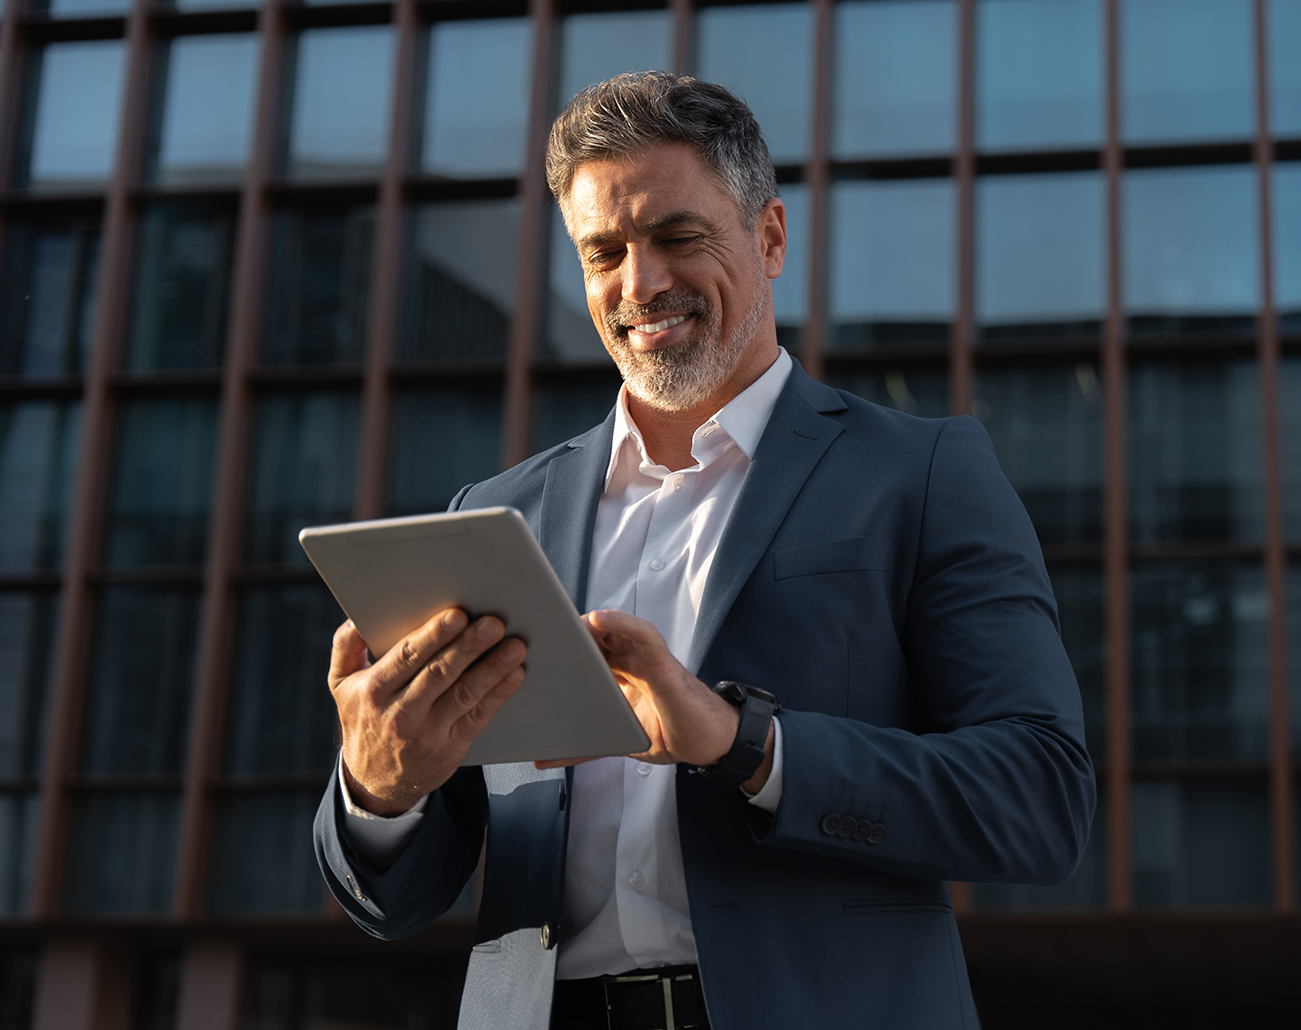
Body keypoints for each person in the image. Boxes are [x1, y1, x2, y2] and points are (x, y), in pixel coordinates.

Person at [313, 71, 1096, 1030]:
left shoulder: (924, 473)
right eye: (604, 252)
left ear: (769, 239)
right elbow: (400, 898)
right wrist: (381, 788)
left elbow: (1040, 797)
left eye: (677, 238)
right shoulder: (498, 513)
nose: (640, 285)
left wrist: (746, 744)